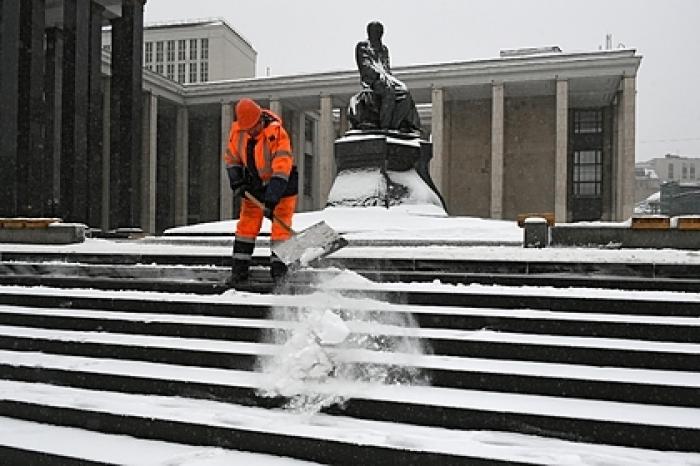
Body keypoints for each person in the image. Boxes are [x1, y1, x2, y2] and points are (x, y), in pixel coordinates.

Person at [223, 98, 298, 287]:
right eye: (248, 128)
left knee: (281, 231)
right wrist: (237, 181)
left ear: (260, 119)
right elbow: (232, 159)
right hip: (254, 185)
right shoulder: (237, 132)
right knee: (245, 229)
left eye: (254, 127)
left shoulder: (277, 133)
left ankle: (280, 276)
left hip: (282, 185)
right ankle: (239, 273)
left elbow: (282, 168)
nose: (251, 131)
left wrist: (272, 199)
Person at [354, 21, 420, 132]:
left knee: (405, 92)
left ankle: (395, 124)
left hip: (386, 78)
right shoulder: (363, 46)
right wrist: (379, 75)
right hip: (372, 81)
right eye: (376, 31)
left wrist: (388, 77)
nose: (379, 34)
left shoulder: (384, 49)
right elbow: (365, 65)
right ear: (370, 32)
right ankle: (384, 126)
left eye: (380, 32)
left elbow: (387, 67)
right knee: (388, 90)